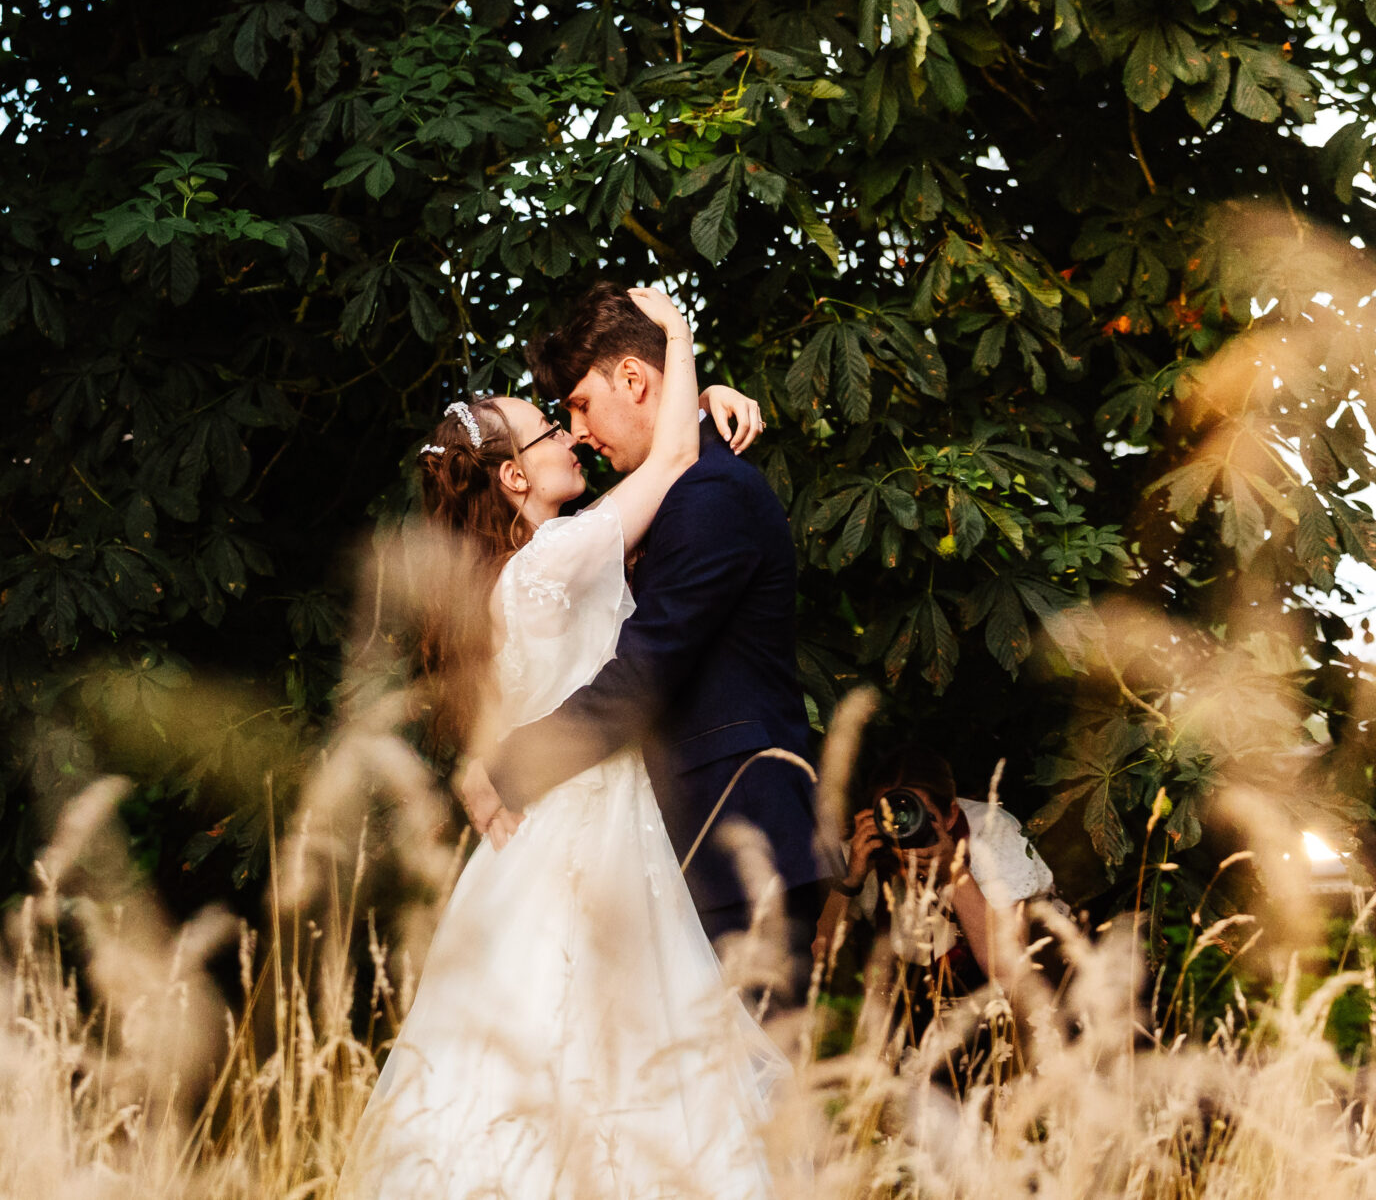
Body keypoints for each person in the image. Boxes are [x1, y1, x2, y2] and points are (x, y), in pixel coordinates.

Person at [348, 287, 781, 1200]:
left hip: (573, 822)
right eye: (551, 429)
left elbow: (658, 480)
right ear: (512, 476)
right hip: (595, 823)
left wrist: (701, 399)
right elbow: (667, 459)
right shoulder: (551, 560)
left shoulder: (541, 565)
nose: (572, 435)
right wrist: (679, 337)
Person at [460, 281, 827, 1009]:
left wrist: (505, 767)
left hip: (735, 840)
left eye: (582, 406)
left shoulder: (709, 494)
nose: (578, 433)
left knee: (749, 1098)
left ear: (633, 378)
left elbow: (643, 675)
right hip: (670, 849)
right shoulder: (660, 502)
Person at [816, 747, 1051, 1062]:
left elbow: (1007, 972)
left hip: (1015, 1017)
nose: (904, 829)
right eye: (890, 818)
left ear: (952, 815)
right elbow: (821, 961)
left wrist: (955, 874)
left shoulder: (992, 834)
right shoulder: (864, 849)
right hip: (918, 1020)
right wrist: (851, 880)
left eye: (919, 817)